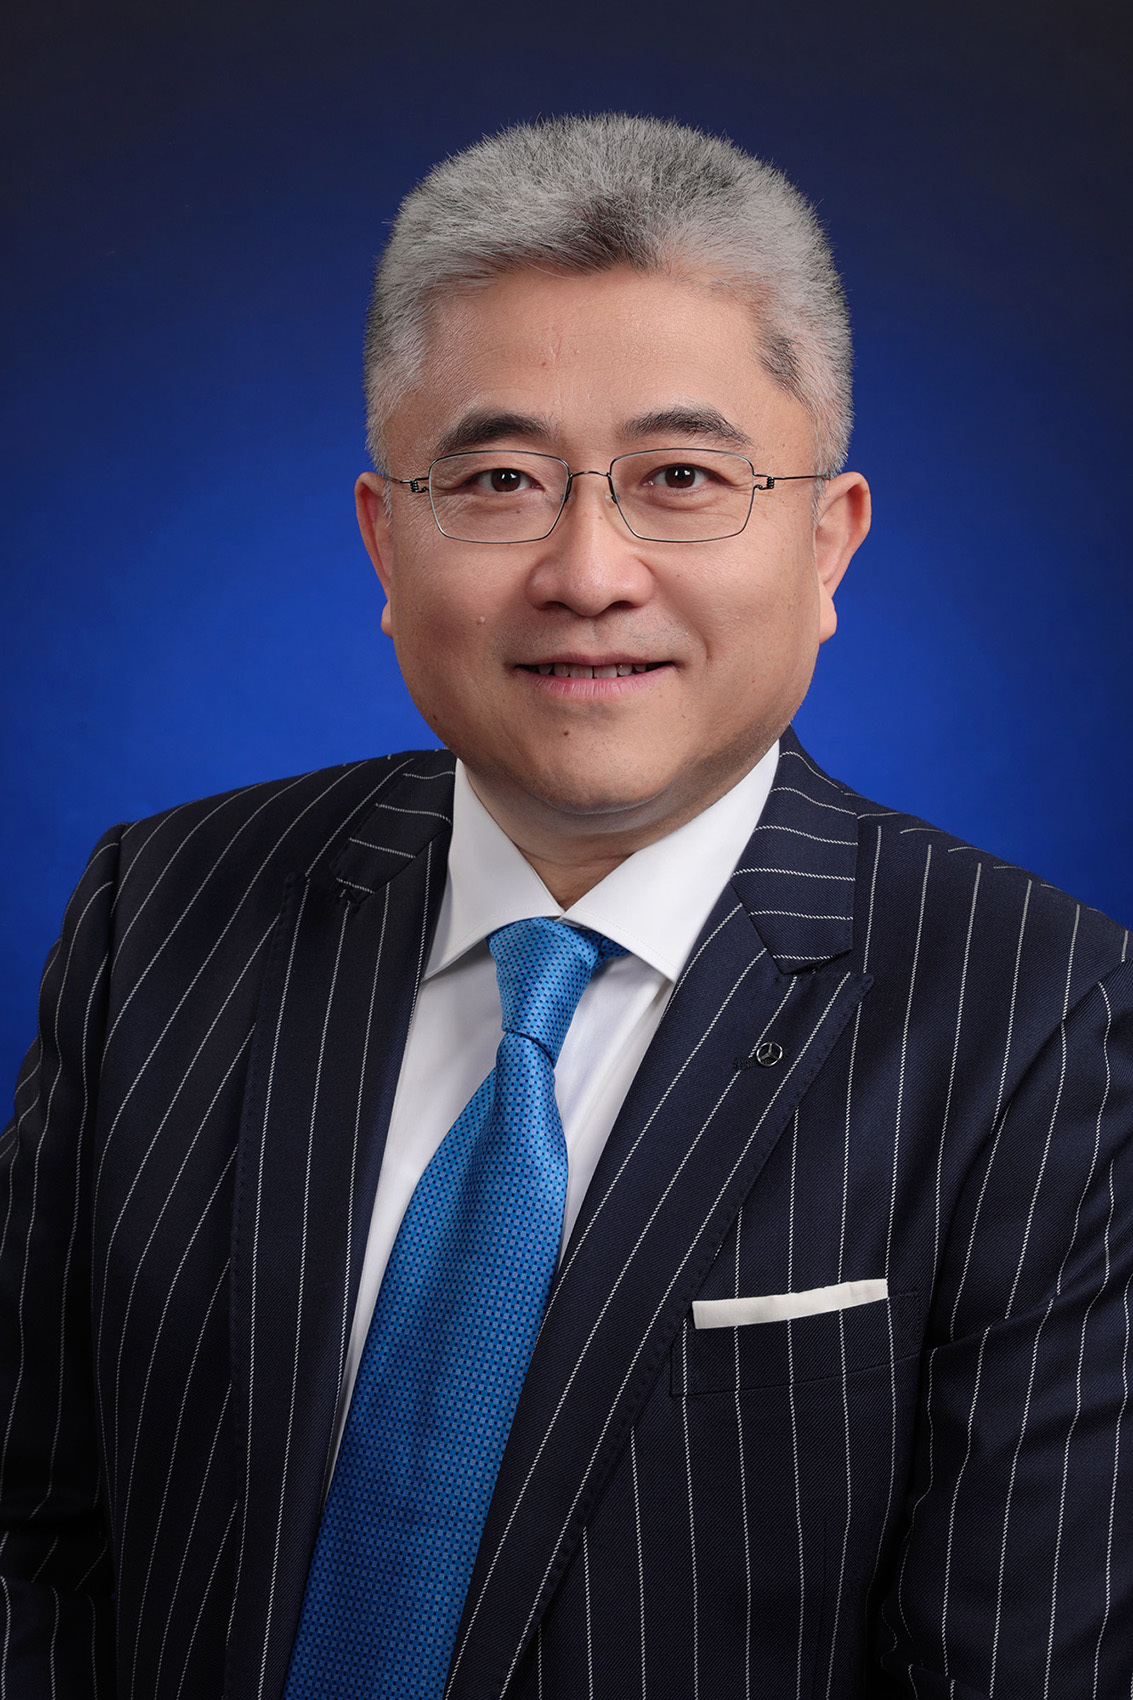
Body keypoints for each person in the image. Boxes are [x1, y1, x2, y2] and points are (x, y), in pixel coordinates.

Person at [2, 113, 1130, 1700]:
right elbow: (32, 1536)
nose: (588, 571)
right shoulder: (163, 909)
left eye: (682, 478)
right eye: (498, 480)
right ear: (384, 540)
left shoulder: (1038, 1012)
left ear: (827, 541)